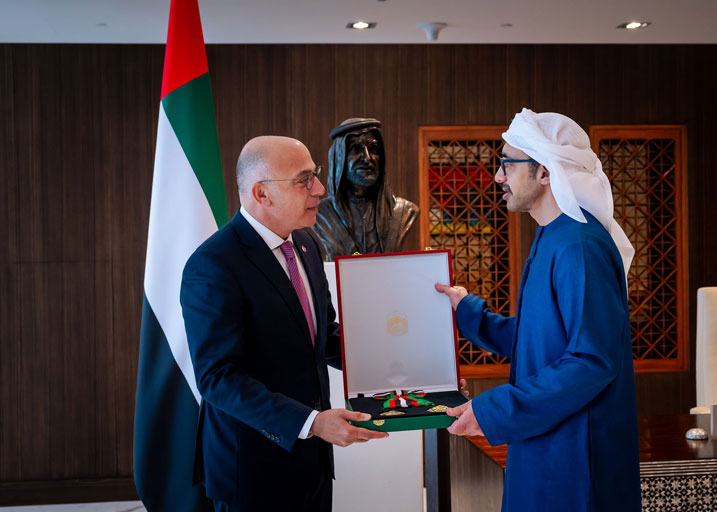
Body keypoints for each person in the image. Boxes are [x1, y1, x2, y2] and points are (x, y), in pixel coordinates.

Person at [436, 108, 641, 511]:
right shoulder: (555, 236)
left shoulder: (579, 245)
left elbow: (591, 361)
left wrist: (494, 409)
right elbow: (541, 336)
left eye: (507, 164)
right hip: (548, 443)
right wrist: (468, 312)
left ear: (544, 172)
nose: (499, 177)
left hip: (575, 461)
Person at [181, 136, 388, 512]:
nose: (320, 189)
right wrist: (312, 422)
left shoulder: (306, 245)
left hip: (313, 464)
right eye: (304, 179)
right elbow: (218, 378)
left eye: (315, 175)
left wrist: (408, 367)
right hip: (252, 470)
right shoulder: (213, 265)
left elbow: (323, 338)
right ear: (261, 193)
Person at [310, 117, 419, 260]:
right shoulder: (320, 213)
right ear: (339, 158)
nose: (367, 158)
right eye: (355, 149)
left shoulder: (404, 211)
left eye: (373, 149)